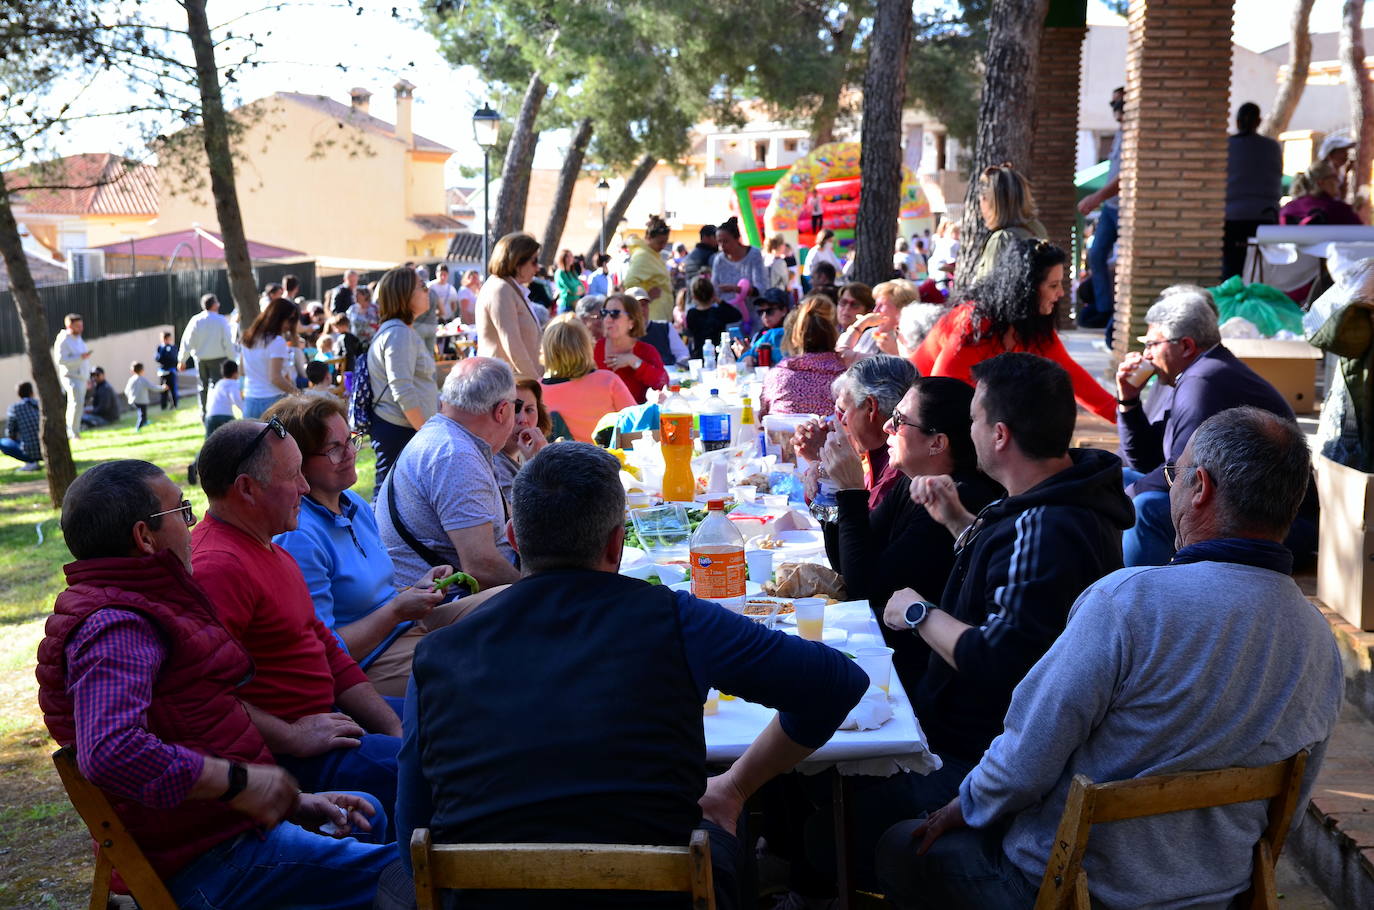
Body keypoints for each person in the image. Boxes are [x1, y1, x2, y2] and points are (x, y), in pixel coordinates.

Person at [877, 407, 1343, 910]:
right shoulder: (1320, 639)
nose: (1171, 490)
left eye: (1174, 476)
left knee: (896, 845)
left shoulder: (1130, 601)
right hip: (1219, 895)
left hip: (1070, 889)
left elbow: (1025, 761)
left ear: (1200, 488)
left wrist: (964, 806)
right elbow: (1289, 812)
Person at [381, 442, 868, 909]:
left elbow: (412, 842)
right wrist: (736, 787)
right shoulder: (676, 619)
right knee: (724, 845)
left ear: (513, 538)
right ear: (617, 542)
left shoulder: (438, 655)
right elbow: (838, 684)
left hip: (487, 899)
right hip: (663, 897)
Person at [36, 460, 393, 910]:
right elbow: (111, 750)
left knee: (365, 814)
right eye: (181, 512)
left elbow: (194, 726)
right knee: (412, 875)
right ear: (144, 537)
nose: (193, 525)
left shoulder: (147, 605)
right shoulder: (116, 628)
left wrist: (293, 802)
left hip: (223, 832)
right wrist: (240, 783)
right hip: (208, 865)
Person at [857, 353, 1132, 858]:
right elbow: (1013, 587)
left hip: (983, 754)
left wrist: (919, 614)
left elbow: (1000, 659)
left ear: (1000, 434)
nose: (969, 430)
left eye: (975, 419)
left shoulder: (1048, 523)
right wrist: (959, 523)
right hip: (984, 740)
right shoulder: (1051, 497)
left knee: (837, 815)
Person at [191, 419, 404, 824]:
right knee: (433, 767)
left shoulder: (270, 547)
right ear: (247, 489)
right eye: (293, 476)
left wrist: (393, 728)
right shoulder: (217, 568)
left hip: (329, 720)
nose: (306, 488)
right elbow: (204, 697)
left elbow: (326, 649)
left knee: (450, 728)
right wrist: (292, 736)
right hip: (290, 761)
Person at [266, 395, 455, 698]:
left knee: (504, 607)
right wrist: (395, 611)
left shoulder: (353, 504)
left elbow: (377, 595)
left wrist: (413, 591)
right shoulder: (299, 535)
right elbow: (324, 650)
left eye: (351, 440)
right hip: (370, 663)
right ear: (297, 461)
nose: (351, 453)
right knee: (475, 663)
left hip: (406, 629)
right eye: (334, 449)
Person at [824, 374, 1002, 692]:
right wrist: (832, 500)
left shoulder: (954, 497)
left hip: (927, 676)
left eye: (899, 420)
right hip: (894, 650)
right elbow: (850, 564)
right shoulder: (912, 479)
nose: (887, 428)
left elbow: (865, 586)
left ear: (937, 443)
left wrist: (851, 492)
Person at [1115, 285, 1314, 567]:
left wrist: (1120, 500)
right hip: (1228, 503)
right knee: (1120, 478)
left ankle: (1145, 601)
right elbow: (1147, 460)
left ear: (1185, 345)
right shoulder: (1198, 373)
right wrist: (1129, 402)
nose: (1146, 355)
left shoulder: (1202, 383)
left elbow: (1177, 474)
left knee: (1144, 508)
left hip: (1272, 524)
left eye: (1152, 344)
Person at [914, 238, 1119, 423]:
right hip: (915, 413)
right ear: (1026, 289)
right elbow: (938, 393)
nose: (1061, 293)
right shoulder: (975, 324)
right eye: (1053, 285)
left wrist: (1129, 421)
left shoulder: (1034, 329)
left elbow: (1075, 380)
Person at [374, 358, 524, 595]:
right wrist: (539, 591)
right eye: (518, 406)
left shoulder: (447, 437)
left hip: (439, 602)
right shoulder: (455, 456)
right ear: (502, 411)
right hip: (443, 610)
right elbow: (481, 568)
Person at [366, 265, 438, 491]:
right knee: (388, 497)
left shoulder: (400, 330)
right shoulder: (398, 333)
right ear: (404, 294)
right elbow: (402, 389)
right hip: (401, 431)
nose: (428, 291)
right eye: (422, 286)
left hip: (403, 429)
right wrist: (426, 433)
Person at [540, 316, 636, 443]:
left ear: (547, 350)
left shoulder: (536, 392)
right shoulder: (607, 380)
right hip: (608, 460)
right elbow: (637, 424)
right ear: (586, 346)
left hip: (559, 461)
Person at [1077, 86, 1124, 329]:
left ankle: (1117, 311)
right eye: (1113, 103)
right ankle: (1104, 310)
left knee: (1124, 259)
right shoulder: (1119, 133)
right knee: (1096, 254)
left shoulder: (1134, 135)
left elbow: (1127, 175)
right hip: (1110, 206)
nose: (1115, 109)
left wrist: (1096, 197)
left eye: (1120, 103)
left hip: (1125, 208)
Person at [1223, 102, 1284, 280]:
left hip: (1231, 217)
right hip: (1264, 217)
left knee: (1231, 268)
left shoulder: (1228, 146)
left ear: (1237, 121)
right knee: (1260, 269)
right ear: (1259, 121)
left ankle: (1231, 303)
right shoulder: (1271, 147)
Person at [759, 295, 845, 417]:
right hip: (830, 435)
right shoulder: (846, 377)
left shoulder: (776, 376)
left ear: (794, 337)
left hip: (785, 435)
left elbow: (763, 417)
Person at [476, 231, 545, 381]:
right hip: (506, 384)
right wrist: (537, 384)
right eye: (534, 261)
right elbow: (512, 344)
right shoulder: (501, 290)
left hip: (514, 382)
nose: (537, 267)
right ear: (517, 261)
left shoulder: (508, 288)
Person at [971, 163, 1047, 283]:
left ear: (990, 202)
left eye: (981, 200)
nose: (980, 208)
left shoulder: (1001, 239)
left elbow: (988, 293)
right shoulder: (1037, 228)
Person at [594, 292, 669, 403]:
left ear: (632, 322)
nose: (608, 319)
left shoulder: (646, 351)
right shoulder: (593, 349)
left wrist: (635, 362)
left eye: (615, 313)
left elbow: (663, 384)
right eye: (605, 313)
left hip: (635, 418)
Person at [239, 297, 300, 418]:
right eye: (290, 319)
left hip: (250, 401)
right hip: (273, 402)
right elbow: (275, 378)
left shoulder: (248, 338)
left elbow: (241, 370)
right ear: (278, 317)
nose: (291, 325)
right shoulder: (277, 341)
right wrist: (298, 394)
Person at [177, 293, 235, 418]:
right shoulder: (221, 320)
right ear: (214, 304)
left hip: (201, 359)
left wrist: (182, 360)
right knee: (218, 386)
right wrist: (232, 359)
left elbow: (187, 341)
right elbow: (228, 342)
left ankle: (204, 412)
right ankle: (218, 412)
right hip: (219, 359)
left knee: (202, 387)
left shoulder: (196, 320)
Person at [837, 278, 920, 365]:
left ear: (901, 309)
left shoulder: (914, 339)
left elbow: (843, 354)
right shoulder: (870, 334)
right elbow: (842, 359)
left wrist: (896, 353)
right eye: (876, 305)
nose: (875, 310)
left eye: (882, 305)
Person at [493, 378, 552, 500]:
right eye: (515, 410)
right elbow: (524, 513)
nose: (523, 419)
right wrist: (539, 464)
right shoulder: (496, 464)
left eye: (529, 410)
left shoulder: (524, 453)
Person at [711, 216, 768, 330]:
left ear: (736, 239)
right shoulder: (719, 260)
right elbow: (714, 287)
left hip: (752, 317)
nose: (722, 246)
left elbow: (761, 288)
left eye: (726, 241)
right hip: (728, 318)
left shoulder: (754, 255)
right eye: (719, 242)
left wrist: (737, 289)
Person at [1279, 159, 1362, 226]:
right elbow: (1362, 236)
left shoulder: (1287, 208)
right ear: (1321, 183)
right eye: (1334, 177)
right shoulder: (1339, 210)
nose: (1338, 181)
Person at [623, 216, 674, 320]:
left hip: (659, 315)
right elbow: (630, 283)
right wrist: (646, 295)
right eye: (660, 242)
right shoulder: (643, 256)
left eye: (665, 242)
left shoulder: (653, 255)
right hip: (652, 316)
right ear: (649, 238)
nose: (663, 246)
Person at [684, 275, 743, 360]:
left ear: (694, 296)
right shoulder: (719, 311)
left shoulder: (691, 313)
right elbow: (737, 315)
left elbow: (690, 332)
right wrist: (719, 301)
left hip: (699, 355)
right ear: (712, 294)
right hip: (719, 354)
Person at [53, 312, 92, 439]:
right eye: (77, 326)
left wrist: (88, 377)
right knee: (75, 404)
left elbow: (84, 359)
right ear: (70, 326)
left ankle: (75, 431)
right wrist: (80, 357)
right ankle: (73, 433)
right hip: (71, 377)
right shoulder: (64, 339)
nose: (80, 328)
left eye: (81, 325)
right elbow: (60, 360)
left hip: (82, 377)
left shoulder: (78, 338)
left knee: (79, 404)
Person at [734, 287, 790, 366]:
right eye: (760, 312)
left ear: (784, 311)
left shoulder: (793, 335)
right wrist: (747, 355)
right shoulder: (758, 335)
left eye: (769, 311)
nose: (764, 316)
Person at [3, 381, 41, 469]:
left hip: (30, 452)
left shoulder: (14, 408)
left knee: (3, 442)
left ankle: (31, 462)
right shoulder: (41, 404)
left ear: (18, 394)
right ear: (32, 392)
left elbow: (10, 433)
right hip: (50, 449)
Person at [205, 359, 243, 436]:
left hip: (210, 416)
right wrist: (245, 410)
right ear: (235, 373)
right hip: (224, 416)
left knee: (210, 440)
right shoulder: (233, 383)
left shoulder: (219, 383)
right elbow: (236, 399)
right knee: (231, 438)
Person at [125, 361, 161, 432]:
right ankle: (138, 428)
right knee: (142, 414)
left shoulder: (131, 379)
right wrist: (163, 388)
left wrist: (130, 398)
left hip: (135, 401)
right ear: (142, 370)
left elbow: (126, 390)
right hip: (142, 401)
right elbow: (152, 387)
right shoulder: (142, 379)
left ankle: (145, 422)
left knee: (142, 412)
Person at [552, 249, 585, 314]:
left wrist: (576, 291)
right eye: (568, 256)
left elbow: (583, 288)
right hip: (566, 307)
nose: (570, 258)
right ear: (562, 258)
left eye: (571, 256)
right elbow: (572, 289)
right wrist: (577, 289)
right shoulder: (560, 273)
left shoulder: (573, 272)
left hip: (576, 306)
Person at [154, 331, 179, 410]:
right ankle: (163, 406)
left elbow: (173, 359)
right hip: (162, 372)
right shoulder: (160, 348)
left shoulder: (173, 347)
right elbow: (157, 358)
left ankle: (174, 405)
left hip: (171, 371)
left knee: (173, 389)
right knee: (163, 389)